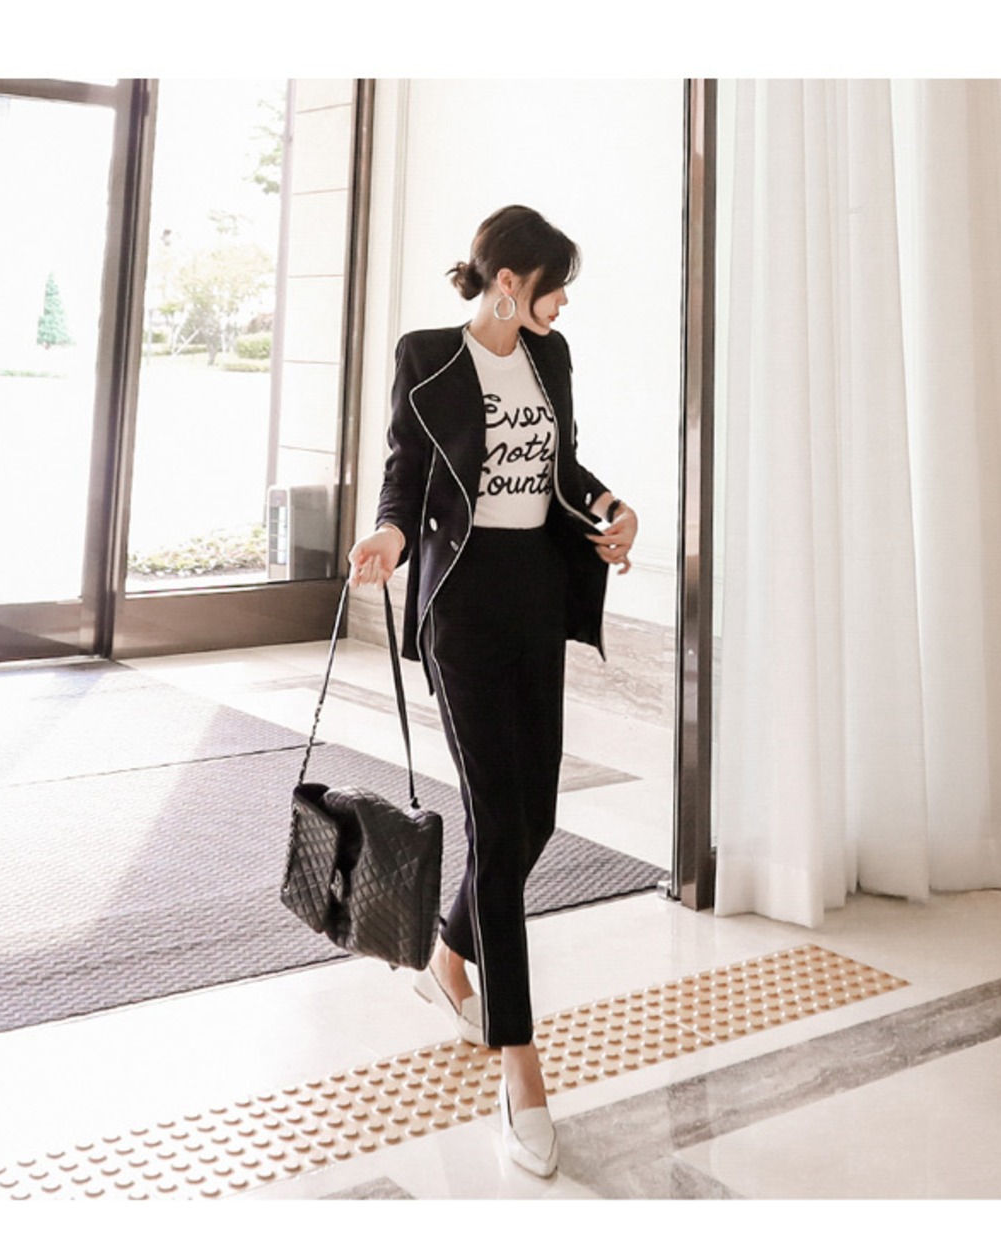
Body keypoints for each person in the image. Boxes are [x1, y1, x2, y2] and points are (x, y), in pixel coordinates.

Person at [348, 205, 637, 1178]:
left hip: (535, 595)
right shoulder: (427, 356)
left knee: (536, 817)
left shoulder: (550, 357)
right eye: (555, 285)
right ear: (507, 281)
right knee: (495, 825)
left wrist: (610, 508)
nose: (563, 304)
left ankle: (448, 957)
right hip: (461, 607)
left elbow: (561, 469)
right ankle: (520, 1068)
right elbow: (405, 474)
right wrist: (390, 536)